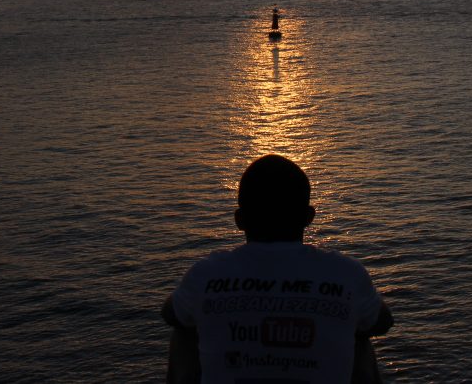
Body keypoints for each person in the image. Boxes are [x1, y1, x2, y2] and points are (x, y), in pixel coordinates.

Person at [162, 155, 393, 383]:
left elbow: (170, 313)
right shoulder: (346, 274)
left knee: (184, 331)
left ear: (239, 220)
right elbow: (382, 322)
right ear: (308, 217)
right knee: (359, 334)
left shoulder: (206, 274)